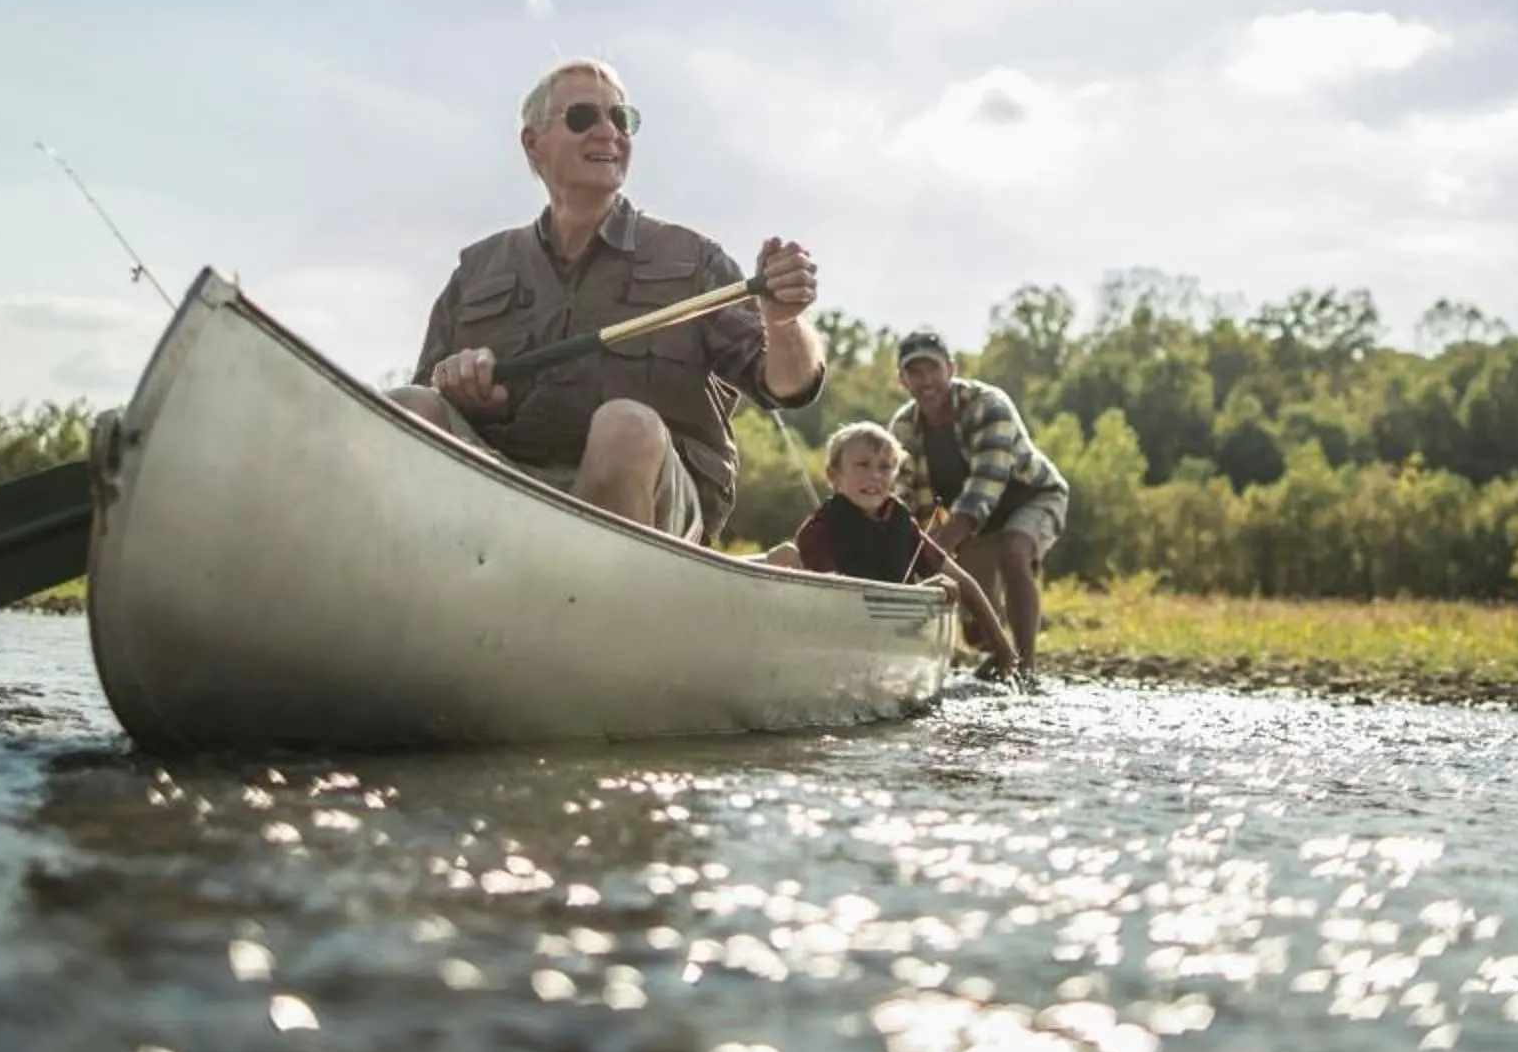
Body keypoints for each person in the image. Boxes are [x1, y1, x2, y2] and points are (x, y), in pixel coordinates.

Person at [388, 59, 825, 542]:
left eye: (622, 119)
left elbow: (788, 386)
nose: (608, 133)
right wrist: (463, 391)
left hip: (657, 513)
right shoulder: (477, 271)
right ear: (533, 144)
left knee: (625, 428)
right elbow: (422, 406)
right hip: (506, 486)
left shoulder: (692, 258)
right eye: (583, 118)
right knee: (406, 407)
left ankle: (617, 610)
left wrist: (784, 323)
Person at [888, 330, 1070, 683]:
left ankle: (1025, 668)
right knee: (976, 630)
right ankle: (1000, 656)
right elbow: (899, 499)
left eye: (933, 370)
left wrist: (933, 551)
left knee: (1014, 550)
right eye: (915, 373)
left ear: (951, 368)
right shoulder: (903, 427)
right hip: (974, 525)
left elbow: (986, 486)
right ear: (902, 379)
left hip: (1031, 497)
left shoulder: (988, 404)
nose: (926, 381)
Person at [763, 422, 1015, 675]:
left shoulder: (901, 522)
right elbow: (839, 599)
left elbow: (964, 583)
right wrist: (921, 593)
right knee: (786, 554)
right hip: (836, 637)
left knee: (946, 582)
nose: (875, 475)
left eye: (885, 467)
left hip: (891, 637)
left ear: (895, 478)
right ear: (833, 476)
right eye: (862, 465)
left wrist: (1004, 652)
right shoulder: (818, 531)